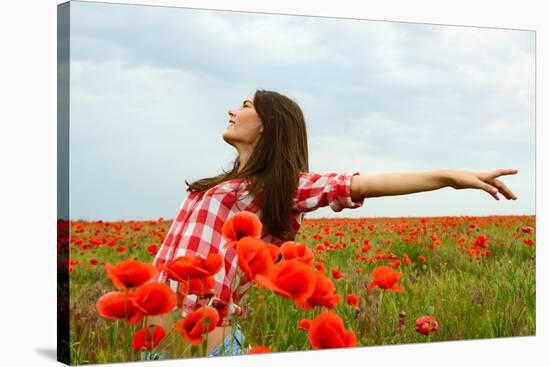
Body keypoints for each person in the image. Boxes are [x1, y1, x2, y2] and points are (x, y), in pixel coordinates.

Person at [144, 89, 518, 358]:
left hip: (209, 349)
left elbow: (363, 184)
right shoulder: (218, 185)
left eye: (244, 106)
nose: (231, 110)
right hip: (153, 349)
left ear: (267, 125)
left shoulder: (279, 186)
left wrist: (450, 176)